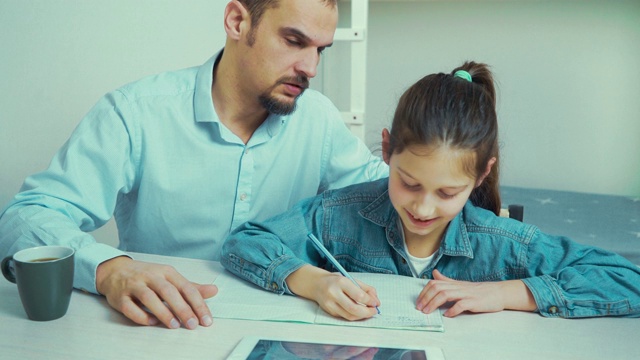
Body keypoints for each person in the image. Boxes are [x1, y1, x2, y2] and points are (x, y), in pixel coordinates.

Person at [0, 0, 387, 330]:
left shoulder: (318, 119)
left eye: (321, 50)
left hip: (285, 331)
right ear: (237, 21)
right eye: (294, 41)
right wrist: (110, 270)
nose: (311, 68)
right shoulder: (136, 113)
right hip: (157, 329)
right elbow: (25, 217)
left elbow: (399, 193)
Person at [221, 61, 640, 321]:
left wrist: (505, 293)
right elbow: (245, 241)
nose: (422, 207)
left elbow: (626, 279)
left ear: (481, 176)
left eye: (447, 193)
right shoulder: (339, 214)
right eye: (409, 182)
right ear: (386, 150)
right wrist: (312, 282)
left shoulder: (501, 243)